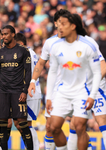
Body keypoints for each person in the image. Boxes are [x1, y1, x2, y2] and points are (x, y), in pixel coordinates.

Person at [46, 12, 101, 150]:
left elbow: (97, 72)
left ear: (73, 26)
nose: (59, 27)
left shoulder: (88, 45)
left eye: (63, 24)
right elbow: (52, 72)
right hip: (62, 92)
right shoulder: (56, 46)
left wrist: (92, 95)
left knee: (79, 127)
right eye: (58, 24)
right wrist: (49, 97)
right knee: (53, 127)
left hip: (82, 92)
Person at [67, 14, 106, 150]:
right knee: (74, 124)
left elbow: (104, 67)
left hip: (95, 86)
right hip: (81, 87)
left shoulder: (88, 42)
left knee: (102, 122)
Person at [28, 9, 71, 150]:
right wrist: (33, 81)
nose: (62, 25)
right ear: (55, 24)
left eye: (65, 22)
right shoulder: (49, 42)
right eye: (59, 22)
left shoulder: (78, 41)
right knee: (50, 127)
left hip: (75, 88)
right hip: (55, 90)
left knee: (78, 125)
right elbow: (40, 63)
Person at [0, 25, 33, 150]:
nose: (3, 37)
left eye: (6, 34)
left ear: (13, 34)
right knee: (3, 124)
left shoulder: (23, 51)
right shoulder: (0, 52)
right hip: (2, 92)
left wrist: (25, 91)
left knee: (22, 124)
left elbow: (28, 72)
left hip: (18, 92)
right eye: (2, 34)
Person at [14, 32, 41, 150]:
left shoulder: (25, 53)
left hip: (30, 93)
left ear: (20, 44)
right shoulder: (32, 53)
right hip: (31, 92)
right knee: (19, 123)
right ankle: (31, 146)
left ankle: (34, 147)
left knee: (26, 124)